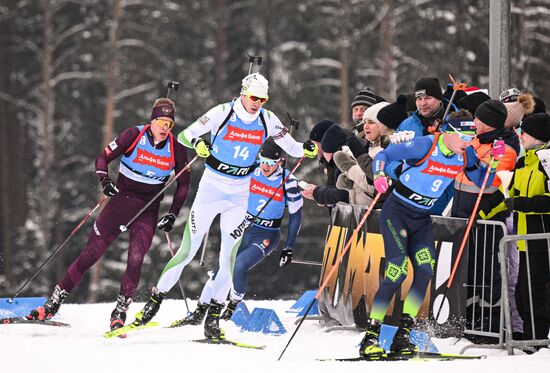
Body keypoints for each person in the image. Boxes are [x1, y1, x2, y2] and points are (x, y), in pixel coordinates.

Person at [133, 73, 317, 326]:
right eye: (253, 97)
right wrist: (198, 143)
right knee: (188, 250)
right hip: (212, 188)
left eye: (263, 99)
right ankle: (155, 300)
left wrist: (307, 148)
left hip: (241, 192)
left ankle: (214, 317)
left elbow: (294, 148)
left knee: (228, 257)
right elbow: (184, 136)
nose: (257, 103)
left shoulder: (268, 119)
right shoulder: (222, 112)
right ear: (243, 93)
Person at [28, 98, 191, 331]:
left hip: (148, 208)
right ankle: (54, 302)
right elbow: (103, 158)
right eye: (161, 122)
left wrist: (173, 214)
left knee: (135, 259)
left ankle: (120, 311)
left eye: (170, 124)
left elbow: (184, 184)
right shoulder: (133, 135)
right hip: (121, 201)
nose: (165, 128)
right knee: (90, 254)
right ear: (152, 120)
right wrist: (105, 180)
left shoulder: (176, 148)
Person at [358, 119, 505, 359]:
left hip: (421, 219)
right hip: (397, 214)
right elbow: (384, 155)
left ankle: (403, 334)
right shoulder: (425, 145)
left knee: (425, 270)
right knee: (397, 270)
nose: (469, 143)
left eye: (472, 138)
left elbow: (484, 182)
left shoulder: (466, 155)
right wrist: (379, 176)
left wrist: (495, 161)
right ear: (449, 133)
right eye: (464, 137)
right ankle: (371, 336)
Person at [176, 138, 304, 338]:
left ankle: (233, 304)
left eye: (271, 163)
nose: (265, 166)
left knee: (240, 264)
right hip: (241, 228)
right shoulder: (251, 170)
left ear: (280, 162)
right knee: (221, 268)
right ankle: (200, 311)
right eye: (262, 160)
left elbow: (296, 215)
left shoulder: (289, 182)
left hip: (266, 234)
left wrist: (289, 247)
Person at [453, 100, 519, 332]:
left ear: (490, 123)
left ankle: (489, 328)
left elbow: (490, 184)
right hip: (462, 216)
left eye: (479, 119)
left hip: (485, 219)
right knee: (467, 271)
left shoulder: (505, 149)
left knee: (486, 274)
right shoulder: (475, 141)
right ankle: (468, 323)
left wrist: (472, 162)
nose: (474, 122)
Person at [490, 113, 550, 341]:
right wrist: (483, 212)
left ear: (536, 135)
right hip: (525, 238)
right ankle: (529, 336)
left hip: (543, 237)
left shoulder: (547, 161)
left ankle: (538, 337)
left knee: (537, 290)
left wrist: (521, 205)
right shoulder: (525, 160)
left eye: (524, 131)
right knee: (524, 292)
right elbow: (508, 191)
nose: (520, 135)